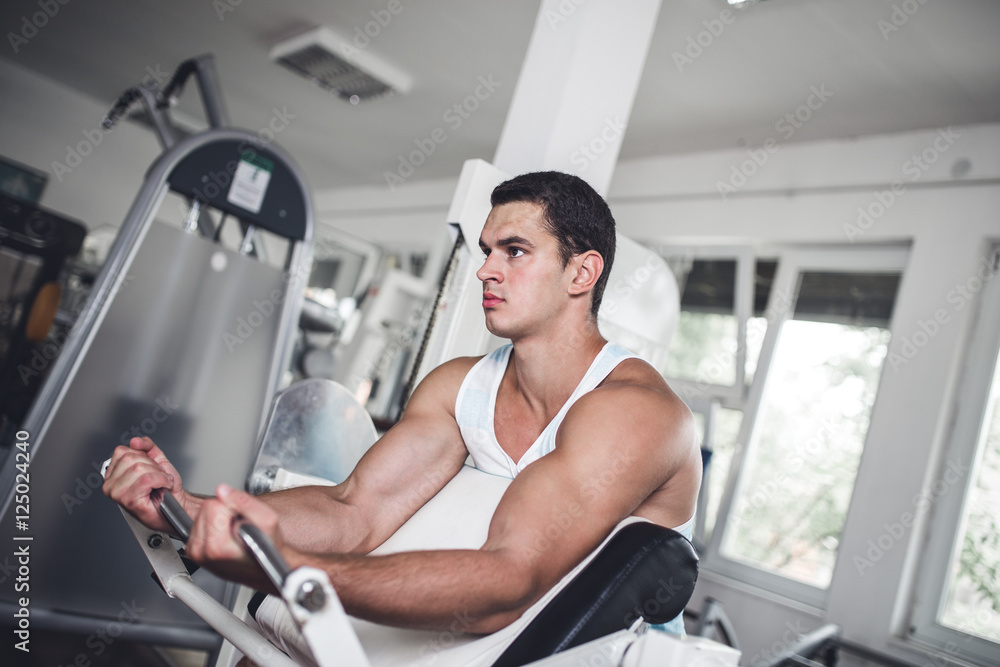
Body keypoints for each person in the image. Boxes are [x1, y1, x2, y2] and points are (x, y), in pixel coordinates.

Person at [103, 171, 701, 644]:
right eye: (487, 250)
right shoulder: (460, 386)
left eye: (515, 251)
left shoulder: (636, 413)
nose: (486, 271)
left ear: (583, 271)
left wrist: (283, 568)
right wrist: (189, 507)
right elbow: (353, 509)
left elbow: (507, 581)